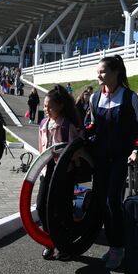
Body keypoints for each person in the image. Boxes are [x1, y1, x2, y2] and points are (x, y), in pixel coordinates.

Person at [87, 55, 138, 269]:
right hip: (101, 158)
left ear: (115, 73)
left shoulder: (131, 98)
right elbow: (92, 125)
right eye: (98, 71)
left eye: (102, 71)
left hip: (121, 159)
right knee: (102, 201)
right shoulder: (95, 98)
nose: (99, 75)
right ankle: (114, 246)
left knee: (113, 200)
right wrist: (81, 134)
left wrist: (136, 149)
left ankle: (119, 248)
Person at [37, 85, 80, 261]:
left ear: (60, 106)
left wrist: (61, 154)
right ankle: (50, 241)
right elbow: (41, 148)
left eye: (50, 106)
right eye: (45, 106)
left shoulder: (67, 126)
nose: (46, 110)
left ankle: (65, 245)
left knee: (62, 210)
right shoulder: (43, 124)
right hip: (47, 170)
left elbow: (75, 152)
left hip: (64, 172)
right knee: (41, 207)